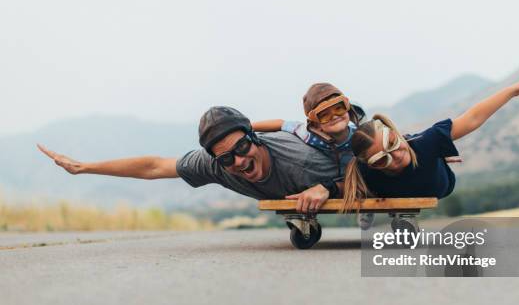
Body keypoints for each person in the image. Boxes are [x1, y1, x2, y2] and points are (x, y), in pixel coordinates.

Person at [38, 106, 340, 214]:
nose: (239, 161)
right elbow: (155, 166)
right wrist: (84, 167)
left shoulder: (303, 162)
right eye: (226, 159)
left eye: (243, 147)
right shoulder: (215, 163)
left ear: (255, 138)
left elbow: (360, 169)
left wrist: (327, 187)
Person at [341, 75, 519, 211]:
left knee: (419, 144)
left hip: (439, 183)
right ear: (372, 165)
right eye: (383, 160)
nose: (396, 156)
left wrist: (511, 91)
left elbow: (472, 118)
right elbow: (338, 182)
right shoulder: (364, 170)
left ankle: (434, 155)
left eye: (392, 143)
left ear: (393, 132)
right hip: (395, 188)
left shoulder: (427, 142)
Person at [252, 82, 375, 227]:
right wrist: (248, 127)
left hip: (355, 174)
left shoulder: (360, 135)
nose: (334, 116)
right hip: (326, 173)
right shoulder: (307, 133)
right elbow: (281, 124)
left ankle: (366, 204)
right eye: (324, 115)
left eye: (339, 108)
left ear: (348, 108)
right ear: (315, 123)